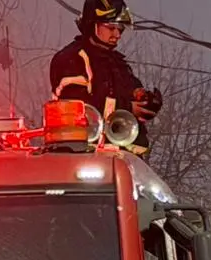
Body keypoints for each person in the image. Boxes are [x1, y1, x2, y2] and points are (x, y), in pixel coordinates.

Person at [49, 0, 163, 155]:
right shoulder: (72, 59)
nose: (117, 35)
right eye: (111, 28)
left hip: (123, 156)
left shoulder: (118, 63)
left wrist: (145, 100)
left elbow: (131, 93)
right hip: (81, 153)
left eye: (120, 29)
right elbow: (77, 106)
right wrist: (128, 108)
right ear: (92, 24)